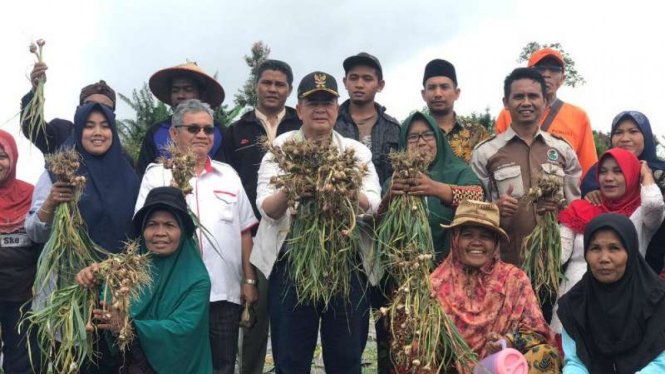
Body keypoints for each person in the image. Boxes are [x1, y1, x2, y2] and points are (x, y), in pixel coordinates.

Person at [252, 71, 381, 374]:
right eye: (312, 103)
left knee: (346, 357)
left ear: (338, 109)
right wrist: (292, 189)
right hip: (292, 266)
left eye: (328, 102)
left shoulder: (355, 151)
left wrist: (349, 191)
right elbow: (266, 209)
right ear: (299, 110)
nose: (320, 109)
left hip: (346, 265)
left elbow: (374, 203)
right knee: (291, 358)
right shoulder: (281, 148)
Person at [136, 99, 258, 374]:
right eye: (193, 128)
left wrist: (249, 280)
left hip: (222, 293)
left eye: (208, 129)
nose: (202, 135)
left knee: (222, 365)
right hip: (173, 294)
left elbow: (245, 231)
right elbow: (144, 230)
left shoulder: (228, 175)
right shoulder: (157, 175)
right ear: (173, 133)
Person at [25, 102, 140, 374]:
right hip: (69, 293)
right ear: (78, 132)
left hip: (116, 292)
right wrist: (51, 202)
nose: (97, 132)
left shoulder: (130, 177)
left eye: (104, 126)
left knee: (115, 364)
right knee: (74, 363)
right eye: (89, 126)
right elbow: (34, 231)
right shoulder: (58, 174)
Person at [76, 186, 213, 374]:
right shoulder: (127, 266)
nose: (160, 232)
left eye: (170, 225)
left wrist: (129, 326)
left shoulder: (197, 279)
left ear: (182, 231)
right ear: (142, 230)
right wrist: (91, 277)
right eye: (152, 224)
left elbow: (183, 329)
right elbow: (105, 295)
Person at [222, 59, 302, 374]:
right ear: (256, 85)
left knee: (292, 321)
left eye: (279, 84)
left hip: (296, 235)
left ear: (289, 90)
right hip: (253, 237)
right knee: (253, 317)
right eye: (266, 82)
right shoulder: (236, 130)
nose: (272, 89)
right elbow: (228, 180)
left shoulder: (301, 125)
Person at [431, 200, 561, 373]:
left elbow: (539, 334)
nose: (476, 242)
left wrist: (508, 341)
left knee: (546, 355)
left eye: (485, 236)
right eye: (468, 235)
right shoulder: (435, 285)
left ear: (495, 244)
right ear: (455, 239)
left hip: (504, 368)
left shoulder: (513, 280)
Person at [470, 67, 582, 267]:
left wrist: (559, 207)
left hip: (554, 265)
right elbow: (471, 213)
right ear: (506, 102)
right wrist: (494, 209)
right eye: (518, 96)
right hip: (504, 266)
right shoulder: (485, 153)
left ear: (545, 101)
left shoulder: (563, 150)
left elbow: (575, 209)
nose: (526, 103)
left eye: (533, 96)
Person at [553, 148, 665, 335]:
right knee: (568, 359)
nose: (608, 178)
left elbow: (654, 204)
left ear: (632, 174)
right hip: (574, 301)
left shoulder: (643, 214)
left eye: (618, 171)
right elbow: (558, 257)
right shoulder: (580, 209)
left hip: (622, 305)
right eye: (603, 171)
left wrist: (645, 174)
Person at [557, 213, 665, 373]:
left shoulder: (657, 299)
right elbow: (575, 362)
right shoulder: (575, 304)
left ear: (631, 251)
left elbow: (660, 362)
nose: (604, 258)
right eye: (595, 248)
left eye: (614, 248)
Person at [382, 111, 484, 263]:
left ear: (439, 139)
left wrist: (436, 189)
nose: (421, 142)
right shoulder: (395, 182)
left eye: (428, 135)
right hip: (408, 271)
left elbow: (478, 197)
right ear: (403, 143)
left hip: (454, 270)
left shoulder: (458, 171)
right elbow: (377, 225)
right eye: (413, 137)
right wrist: (388, 198)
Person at [581, 111, 665, 273]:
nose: (625, 138)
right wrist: (591, 191)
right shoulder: (596, 173)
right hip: (610, 259)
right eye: (618, 132)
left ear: (646, 136)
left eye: (633, 132)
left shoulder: (661, 172)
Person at [494, 48, 597, 175]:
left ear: (563, 78)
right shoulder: (507, 114)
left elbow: (588, 169)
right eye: (540, 68)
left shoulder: (578, 116)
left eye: (554, 70)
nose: (546, 74)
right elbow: (496, 159)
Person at [136, 62, 226, 178]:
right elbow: (142, 174)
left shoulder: (218, 131)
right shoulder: (156, 131)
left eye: (188, 90)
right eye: (175, 90)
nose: (180, 95)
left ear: (201, 95)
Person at [0, 130, 38, 374]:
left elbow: (44, 238)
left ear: (13, 158)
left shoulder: (31, 194)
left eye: (2, 156)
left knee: (21, 359)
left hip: (22, 294)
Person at [20, 61, 117, 155]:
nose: (98, 110)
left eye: (106, 108)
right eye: (90, 105)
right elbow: (32, 127)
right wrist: (36, 91)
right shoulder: (61, 131)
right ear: (78, 110)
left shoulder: (123, 158)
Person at [335, 52, 400, 184]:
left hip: (385, 202)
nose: (359, 84)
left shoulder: (393, 127)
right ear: (345, 82)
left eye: (367, 79)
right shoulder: (332, 124)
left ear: (380, 85)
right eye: (353, 78)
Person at [421, 59, 489, 163]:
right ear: (423, 94)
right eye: (432, 88)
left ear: (456, 93)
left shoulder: (476, 132)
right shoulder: (413, 133)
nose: (438, 93)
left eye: (444, 87)